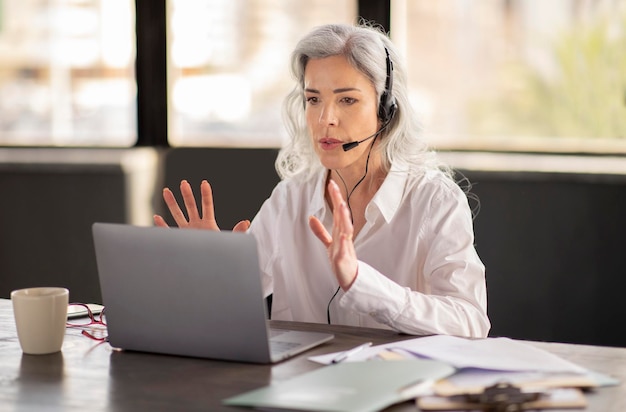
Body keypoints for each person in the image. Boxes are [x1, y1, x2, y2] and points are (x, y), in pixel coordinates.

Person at [154, 22, 490, 338]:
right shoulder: (290, 199)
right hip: (300, 390)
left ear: (386, 109)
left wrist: (361, 281)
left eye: (347, 100)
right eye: (313, 100)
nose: (325, 119)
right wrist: (210, 266)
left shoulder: (435, 201)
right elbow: (229, 306)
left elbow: (470, 321)